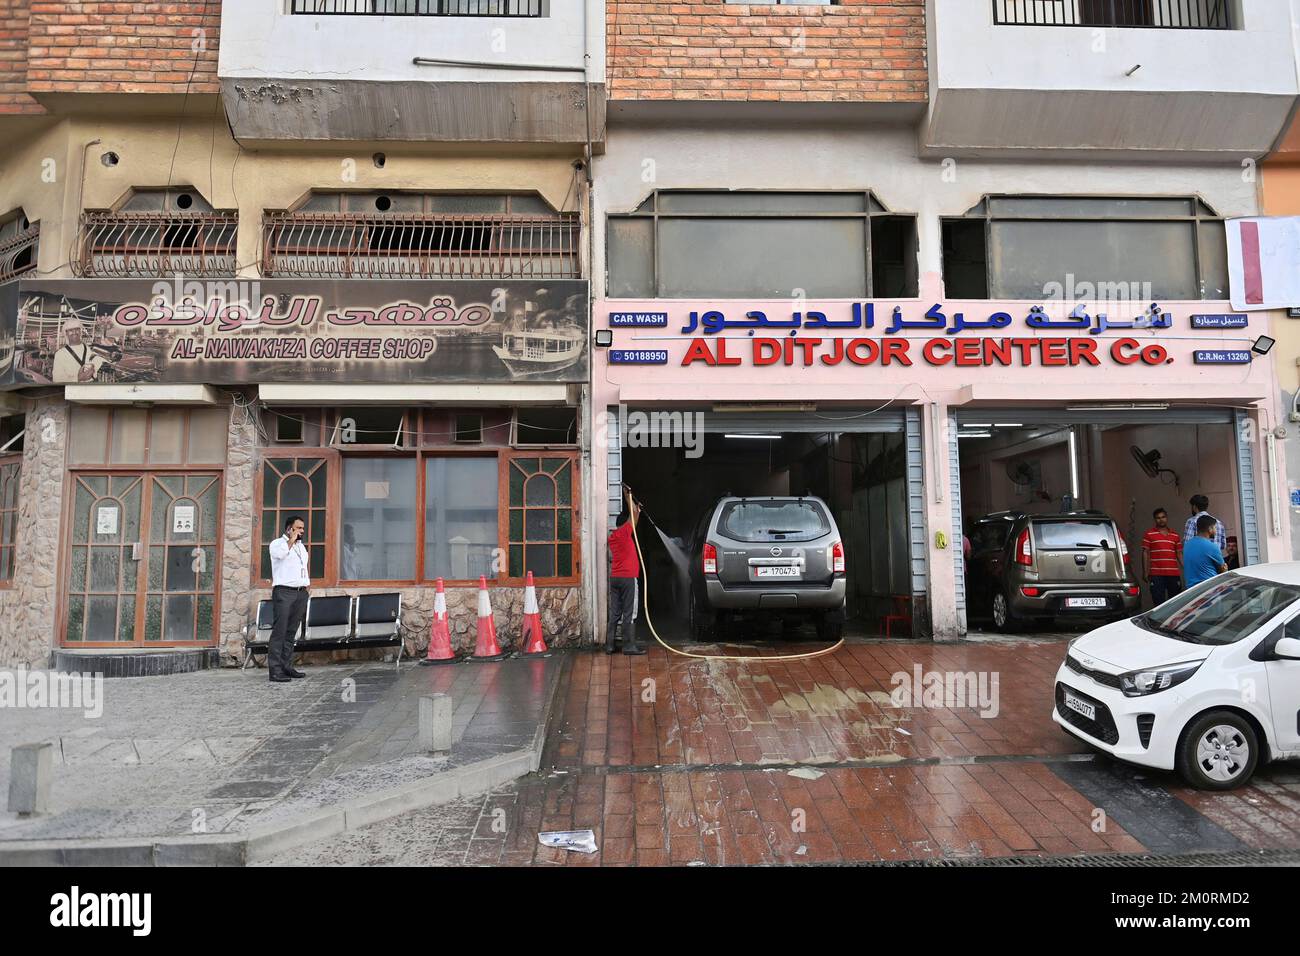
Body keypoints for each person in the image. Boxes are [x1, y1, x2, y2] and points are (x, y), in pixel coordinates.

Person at [267, 515, 310, 683]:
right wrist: (291, 540)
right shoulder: (277, 544)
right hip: (284, 592)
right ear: (289, 529)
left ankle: (287, 666)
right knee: (280, 631)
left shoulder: (301, 547)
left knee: (291, 632)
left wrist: (306, 585)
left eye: (302, 528)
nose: (302, 531)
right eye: (298, 528)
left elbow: (302, 567)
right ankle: (275, 670)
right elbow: (281, 555)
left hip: (300, 593)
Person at [607, 490, 645, 655]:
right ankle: (629, 646)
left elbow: (634, 518)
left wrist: (637, 510)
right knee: (630, 612)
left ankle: (609, 645)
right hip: (628, 579)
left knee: (615, 612)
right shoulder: (624, 533)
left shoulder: (613, 536)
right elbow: (633, 518)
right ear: (625, 524)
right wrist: (627, 494)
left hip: (615, 578)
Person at [1140, 507, 1182, 606]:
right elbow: (1145, 552)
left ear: (1166, 518)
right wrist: (1145, 572)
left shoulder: (1175, 535)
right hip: (1156, 575)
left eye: (1163, 517)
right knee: (1158, 603)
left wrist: (1187, 568)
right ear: (1155, 519)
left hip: (1173, 574)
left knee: (1175, 603)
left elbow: (1179, 553)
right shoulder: (1149, 534)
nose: (1161, 519)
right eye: (1158, 518)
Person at [51, 319, 105, 383]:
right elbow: (57, 379)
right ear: (66, 333)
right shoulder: (60, 354)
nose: (74, 332)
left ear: (80, 331)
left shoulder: (90, 349)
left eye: (77, 329)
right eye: (70, 330)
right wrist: (78, 378)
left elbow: (101, 367)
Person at [1184, 514, 1228, 588]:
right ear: (1210, 529)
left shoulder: (1187, 544)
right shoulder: (1212, 547)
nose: (1216, 530)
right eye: (1215, 527)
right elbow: (1223, 570)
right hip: (1209, 589)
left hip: (1191, 589)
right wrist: (1225, 569)